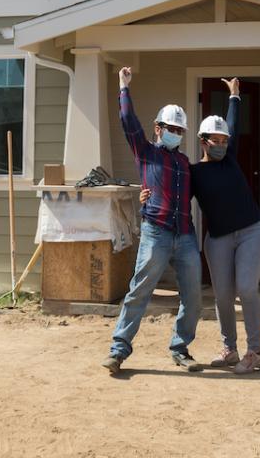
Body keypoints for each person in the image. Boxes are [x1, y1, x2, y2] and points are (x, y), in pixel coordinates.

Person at [153, 77, 260, 374]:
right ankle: (230, 349)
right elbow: (173, 191)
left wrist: (234, 96)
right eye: (214, 140)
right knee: (222, 296)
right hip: (217, 239)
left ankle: (254, 351)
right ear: (202, 141)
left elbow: (231, 120)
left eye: (224, 140)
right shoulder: (194, 173)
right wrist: (148, 193)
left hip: (251, 233)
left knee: (246, 287)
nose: (220, 144)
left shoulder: (230, 159)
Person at [102, 67, 203, 375]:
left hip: (185, 235)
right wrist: (124, 87)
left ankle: (180, 348)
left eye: (180, 130)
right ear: (157, 128)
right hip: (155, 233)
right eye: (170, 127)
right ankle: (118, 350)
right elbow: (128, 124)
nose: (176, 133)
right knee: (139, 291)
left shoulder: (186, 164)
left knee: (194, 296)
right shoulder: (145, 153)